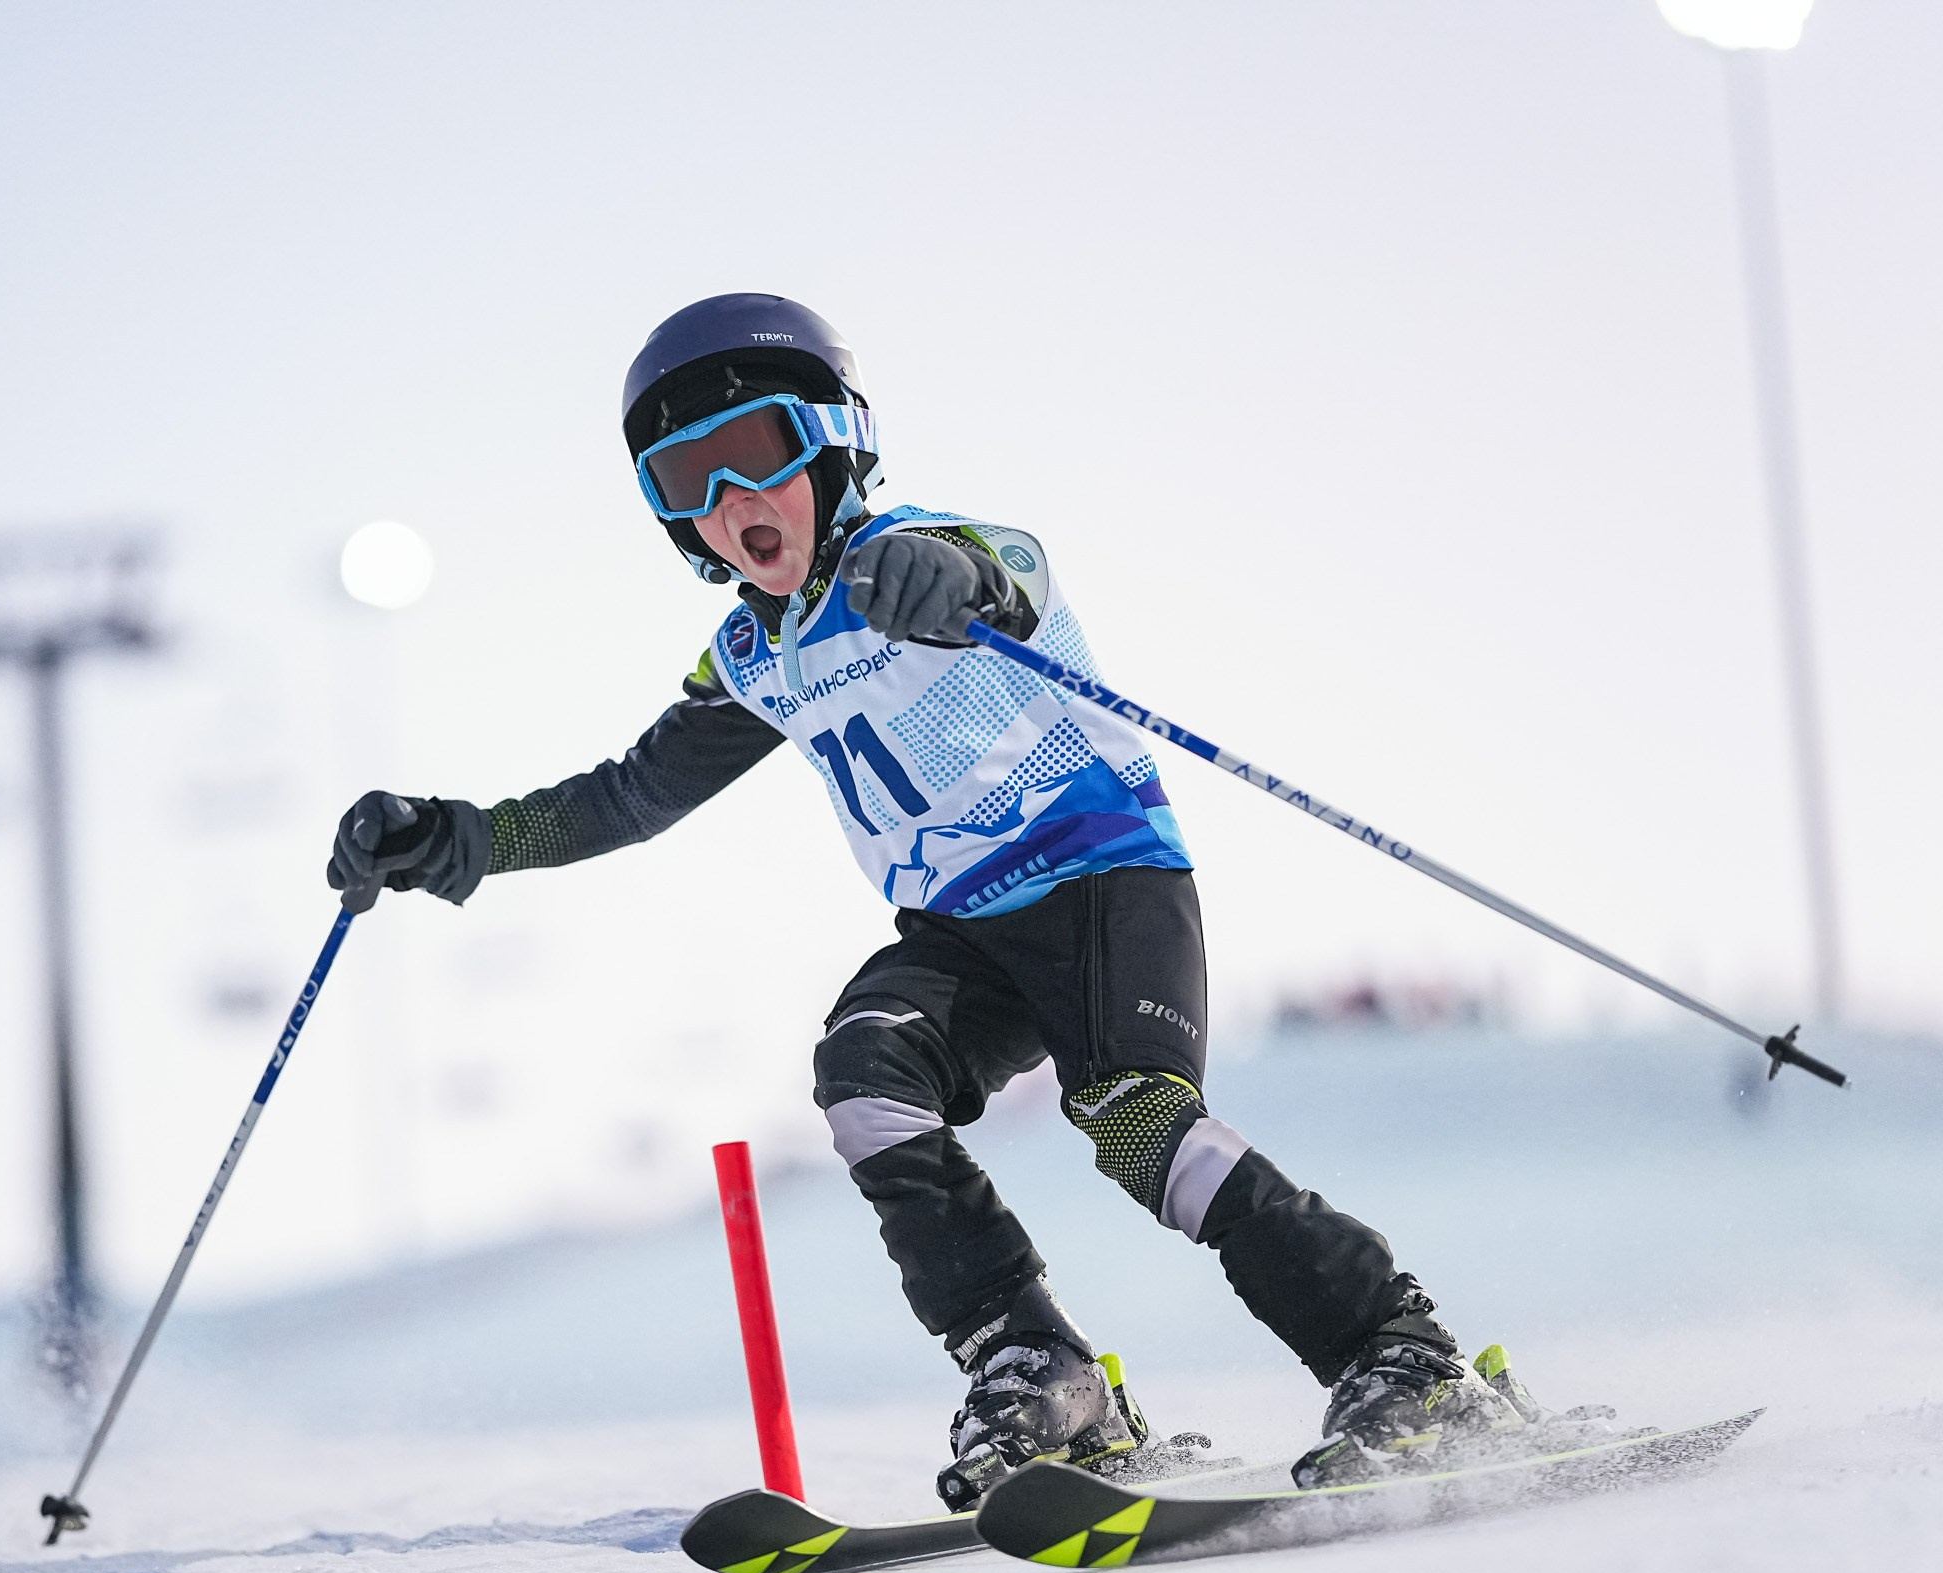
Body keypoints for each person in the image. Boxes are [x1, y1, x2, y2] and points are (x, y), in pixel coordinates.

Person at [326, 293, 1529, 1506]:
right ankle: (1039, 1369)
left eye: (760, 449)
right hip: (959, 934)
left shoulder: (926, 554)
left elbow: (1013, 571)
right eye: (686, 475)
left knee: (1134, 1123)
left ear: (835, 444)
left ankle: (1401, 1356)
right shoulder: (750, 656)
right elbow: (628, 796)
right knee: (862, 1079)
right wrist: (459, 839)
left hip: (1100, 877)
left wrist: (949, 575)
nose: (733, 498)